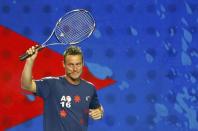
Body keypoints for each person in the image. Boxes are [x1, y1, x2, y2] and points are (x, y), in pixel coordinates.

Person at [21, 45, 104, 131]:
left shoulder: (89, 88)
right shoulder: (51, 84)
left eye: (78, 64)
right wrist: (30, 61)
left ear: (82, 64)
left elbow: (97, 107)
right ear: (63, 64)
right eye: (71, 65)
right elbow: (26, 85)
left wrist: (100, 112)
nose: (75, 69)